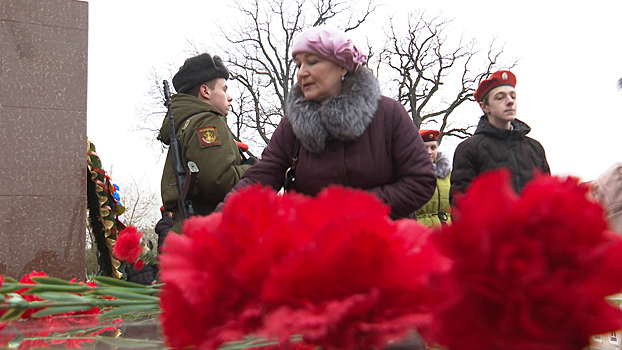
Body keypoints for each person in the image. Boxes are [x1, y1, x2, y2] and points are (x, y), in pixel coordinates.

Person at [220, 25, 436, 219]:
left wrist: (352, 210)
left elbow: (420, 182)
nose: (302, 72)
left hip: (385, 248)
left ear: (343, 66)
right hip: (318, 250)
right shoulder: (291, 126)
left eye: (312, 62)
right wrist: (220, 217)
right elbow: (259, 179)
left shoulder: (389, 114)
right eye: (298, 64)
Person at [159, 53, 254, 233]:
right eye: (224, 89)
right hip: (213, 233)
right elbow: (219, 182)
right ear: (205, 91)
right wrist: (252, 169)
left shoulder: (186, 123)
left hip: (193, 229)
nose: (229, 97)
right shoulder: (207, 122)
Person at [450, 70, 550, 202]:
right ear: (485, 107)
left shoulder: (534, 148)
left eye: (513, 96)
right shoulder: (469, 149)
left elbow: (549, 194)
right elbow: (461, 203)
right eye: (500, 97)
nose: (510, 101)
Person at [415, 130, 451, 227]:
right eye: (424, 148)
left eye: (433, 147)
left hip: (446, 231)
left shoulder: (447, 174)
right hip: (422, 231)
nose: (429, 152)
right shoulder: (410, 174)